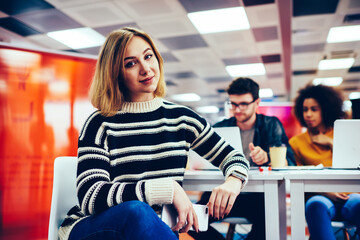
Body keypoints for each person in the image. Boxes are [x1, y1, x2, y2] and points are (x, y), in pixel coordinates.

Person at [57, 27, 250, 240]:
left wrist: (233, 182)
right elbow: (91, 197)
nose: (146, 68)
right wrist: (168, 189)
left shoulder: (182, 119)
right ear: (115, 73)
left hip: (154, 231)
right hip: (98, 228)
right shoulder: (100, 123)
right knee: (138, 211)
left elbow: (234, 157)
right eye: (130, 63)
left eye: (148, 56)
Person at [190, 77, 296, 240]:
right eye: (233, 104)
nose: (237, 109)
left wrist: (267, 158)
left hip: (258, 196)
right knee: (191, 218)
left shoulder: (270, 125)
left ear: (257, 102)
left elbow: (289, 162)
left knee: (270, 218)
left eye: (244, 104)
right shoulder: (221, 128)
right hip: (226, 193)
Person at [289, 84, 360, 240]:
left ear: (326, 109)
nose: (308, 114)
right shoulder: (296, 142)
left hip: (351, 195)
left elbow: (355, 164)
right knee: (315, 205)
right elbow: (296, 177)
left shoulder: (344, 134)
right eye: (305, 109)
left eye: (314, 109)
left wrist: (331, 143)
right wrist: (324, 191)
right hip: (320, 196)